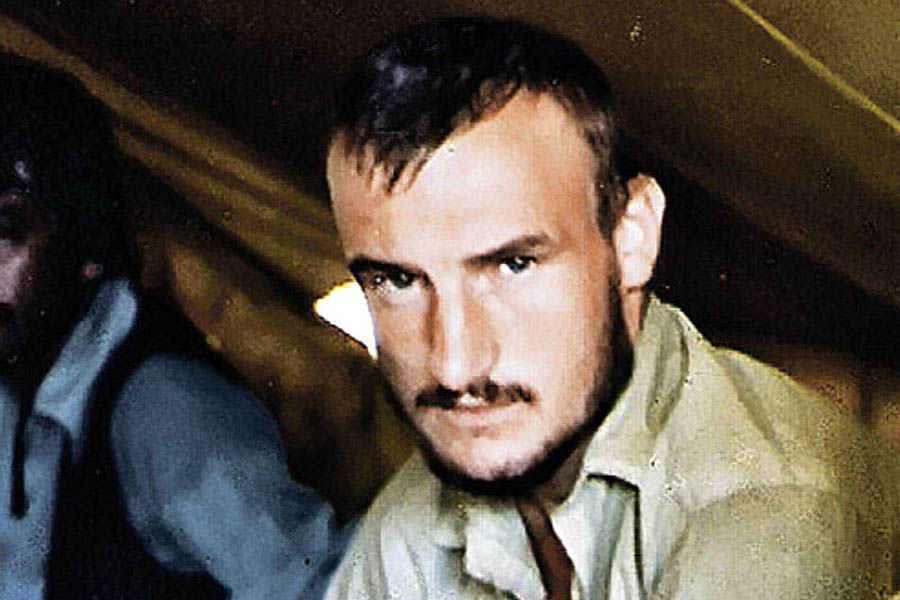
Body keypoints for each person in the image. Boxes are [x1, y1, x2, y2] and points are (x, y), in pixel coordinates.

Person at [323, 17, 900, 599]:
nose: (454, 367)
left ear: (632, 238)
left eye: (513, 265)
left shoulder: (765, 514)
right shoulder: (414, 519)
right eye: (398, 281)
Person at [0, 55, 347, 599]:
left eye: (4, 231)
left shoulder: (167, 410)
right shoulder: (20, 382)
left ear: (85, 246)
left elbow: (320, 588)